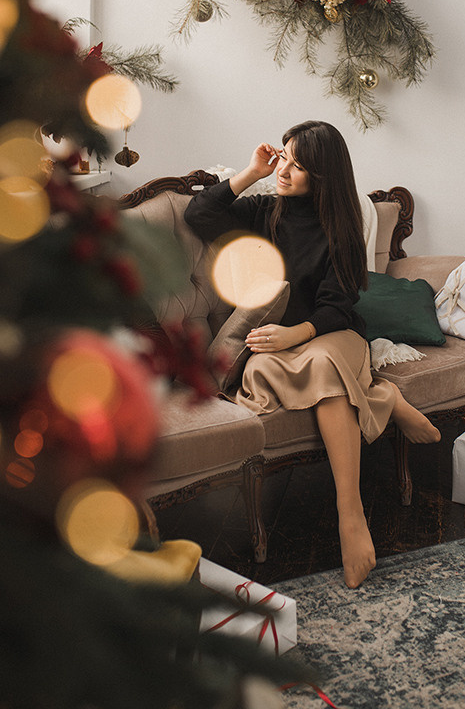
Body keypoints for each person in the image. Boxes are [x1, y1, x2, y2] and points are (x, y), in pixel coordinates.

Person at [184, 121, 440, 588]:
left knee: (323, 364)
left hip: (329, 335)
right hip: (276, 345)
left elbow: (337, 307)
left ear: (323, 176)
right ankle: (383, 398)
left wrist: (292, 335)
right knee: (266, 367)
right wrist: (250, 171)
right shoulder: (262, 211)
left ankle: (351, 516)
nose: (284, 169)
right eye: (284, 156)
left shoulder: (339, 228)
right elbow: (200, 214)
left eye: (298, 165)